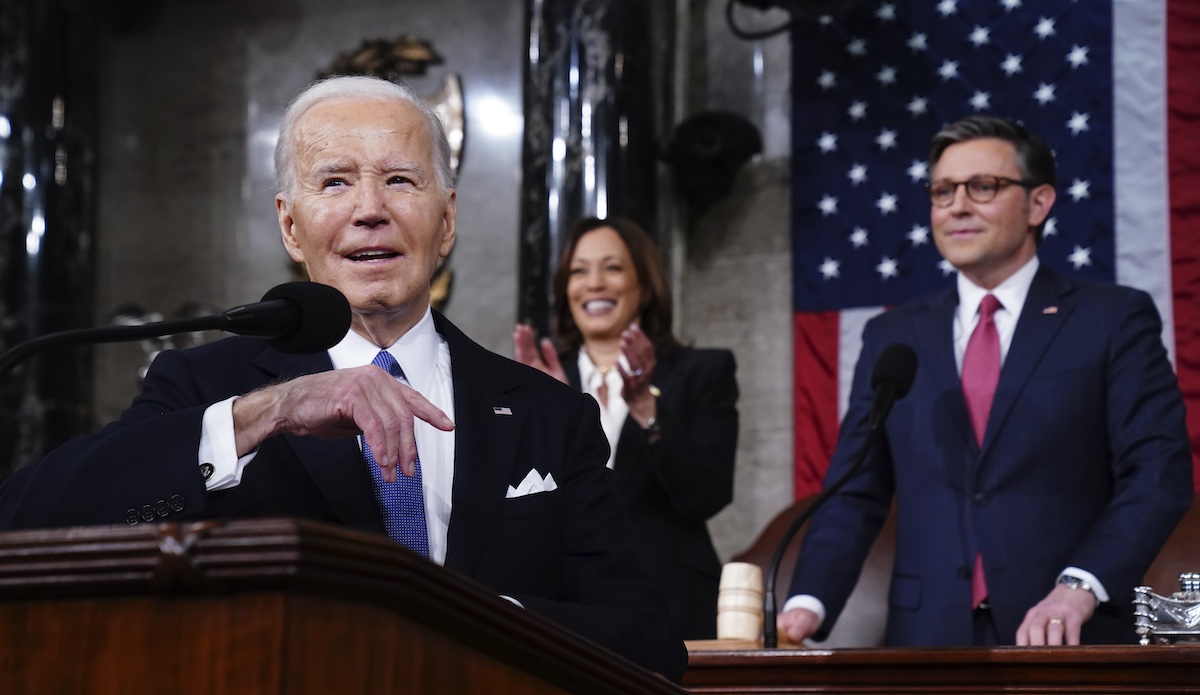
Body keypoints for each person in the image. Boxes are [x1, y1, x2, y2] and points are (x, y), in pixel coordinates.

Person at [0, 75, 687, 680]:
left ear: (446, 221)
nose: (370, 209)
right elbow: (27, 523)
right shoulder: (209, 386)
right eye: (335, 181)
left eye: (399, 179)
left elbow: (649, 640)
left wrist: (482, 619)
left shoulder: (547, 412)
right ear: (291, 226)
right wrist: (263, 413)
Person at [777, 115, 1192, 647]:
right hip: (927, 641)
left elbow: (1158, 473)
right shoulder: (893, 337)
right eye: (943, 191)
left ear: (1038, 203)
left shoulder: (1111, 319)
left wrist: (1080, 586)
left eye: (984, 187)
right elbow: (856, 490)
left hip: (1070, 634)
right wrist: (807, 603)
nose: (957, 206)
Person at [513, 216, 739, 640]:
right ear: (566, 290)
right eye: (579, 271)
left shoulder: (703, 372)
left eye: (612, 268)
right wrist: (554, 417)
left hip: (672, 605)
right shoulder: (537, 381)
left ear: (644, 284)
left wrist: (645, 408)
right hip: (564, 608)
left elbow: (707, 495)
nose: (594, 283)